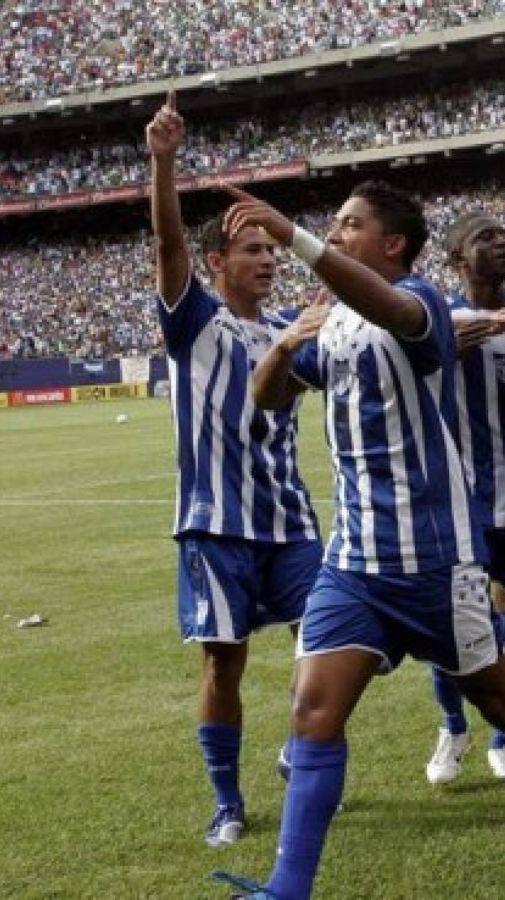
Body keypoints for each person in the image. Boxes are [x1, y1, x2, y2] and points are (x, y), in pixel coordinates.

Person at [211, 180, 505, 899]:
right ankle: (287, 887)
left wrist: (297, 240)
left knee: (499, 696)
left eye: (349, 224)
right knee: (313, 710)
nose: (334, 233)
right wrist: (284, 342)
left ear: (392, 244)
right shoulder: (330, 320)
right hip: (354, 563)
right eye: (330, 224)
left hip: (436, 559)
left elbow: (392, 309)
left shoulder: (424, 304)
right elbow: (268, 398)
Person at [147, 91, 322, 850]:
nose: (267, 259)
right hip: (215, 522)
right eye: (251, 249)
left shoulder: (292, 328)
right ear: (218, 262)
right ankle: (228, 802)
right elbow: (166, 248)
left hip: (289, 518)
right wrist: (164, 162)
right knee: (226, 663)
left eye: (270, 249)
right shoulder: (195, 321)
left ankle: (298, 752)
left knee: (335, 639)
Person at [424, 213, 505, 784]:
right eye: (485, 238)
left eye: (504, 237)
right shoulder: (438, 320)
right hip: (463, 501)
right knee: (450, 625)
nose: (501, 244)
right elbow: (421, 355)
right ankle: (453, 725)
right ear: (457, 259)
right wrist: (465, 332)